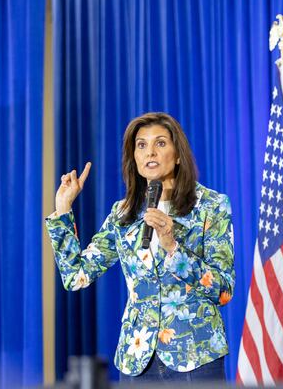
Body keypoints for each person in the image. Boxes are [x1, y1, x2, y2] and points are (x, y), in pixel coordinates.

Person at [45, 112, 235, 383]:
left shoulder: (211, 206)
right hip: (137, 361)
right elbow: (76, 276)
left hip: (196, 356)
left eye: (160, 143)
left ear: (178, 154)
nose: (150, 152)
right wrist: (63, 209)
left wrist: (173, 248)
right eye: (141, 145)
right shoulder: (123, 214)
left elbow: (224, 291)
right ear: (134, 158)